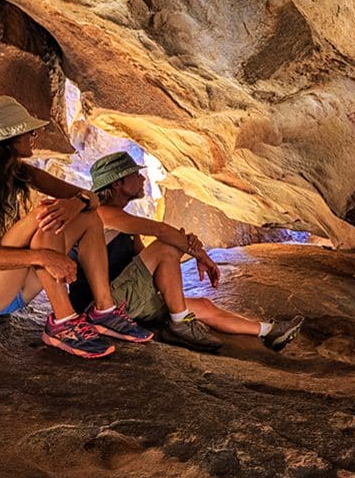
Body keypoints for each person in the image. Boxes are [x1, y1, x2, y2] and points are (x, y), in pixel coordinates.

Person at [0, 96, 153, 358]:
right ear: (6, 140)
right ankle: (64, 322)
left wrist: (76, 203)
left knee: (87, 217)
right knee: (45, 214)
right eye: (27, 132)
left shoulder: (12, 170)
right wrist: (43, 257)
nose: (34, 136)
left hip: (1, 290)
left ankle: (104, 311)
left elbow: (93, 199)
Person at [67, 151, 303, 353]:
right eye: (135, 175)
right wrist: (197, 253)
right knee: (166, 245)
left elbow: (147, 264)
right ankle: (179, 324)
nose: (142, 178)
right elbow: (161, 232)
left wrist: (184, 244)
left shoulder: (125, 224)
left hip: (125, 297)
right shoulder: (103, 214)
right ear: (118, 183)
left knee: (203, 305)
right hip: (100, 305)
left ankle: (269, 331)